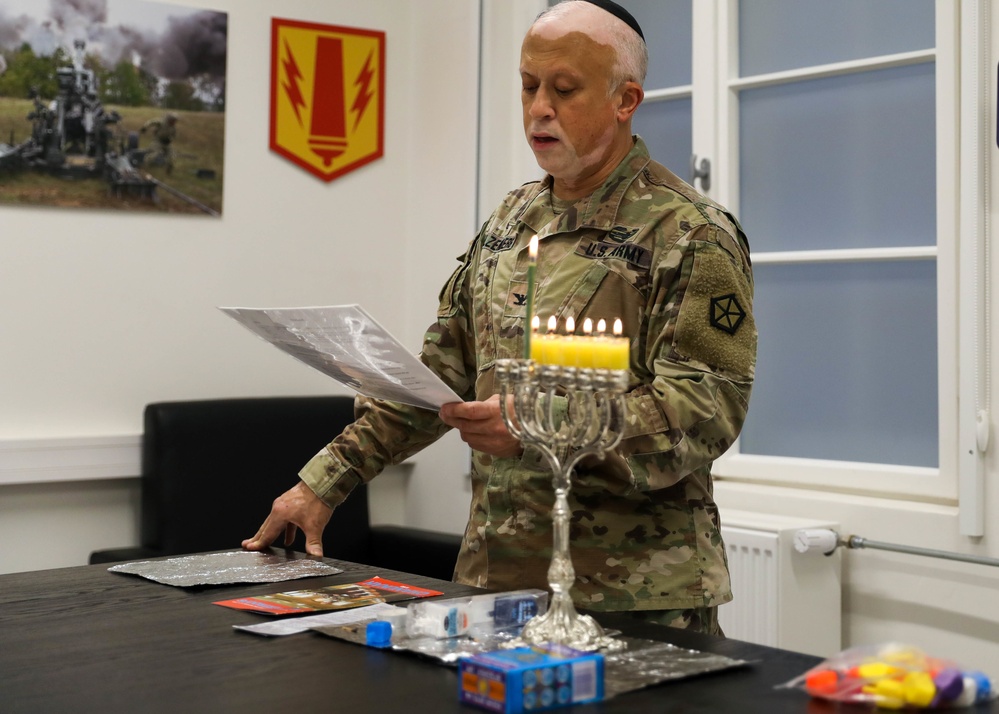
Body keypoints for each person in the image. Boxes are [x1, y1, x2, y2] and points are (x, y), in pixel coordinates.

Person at [243, 0, 756, 636]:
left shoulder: (688, 232)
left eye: (564, 89)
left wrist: (535, 423)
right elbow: (434, 381)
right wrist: (323, 484)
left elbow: (704, 409)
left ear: (626, 100)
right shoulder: (510, 223)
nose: (539, 107)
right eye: (528, 85)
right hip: (494, 581)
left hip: (632, 594)